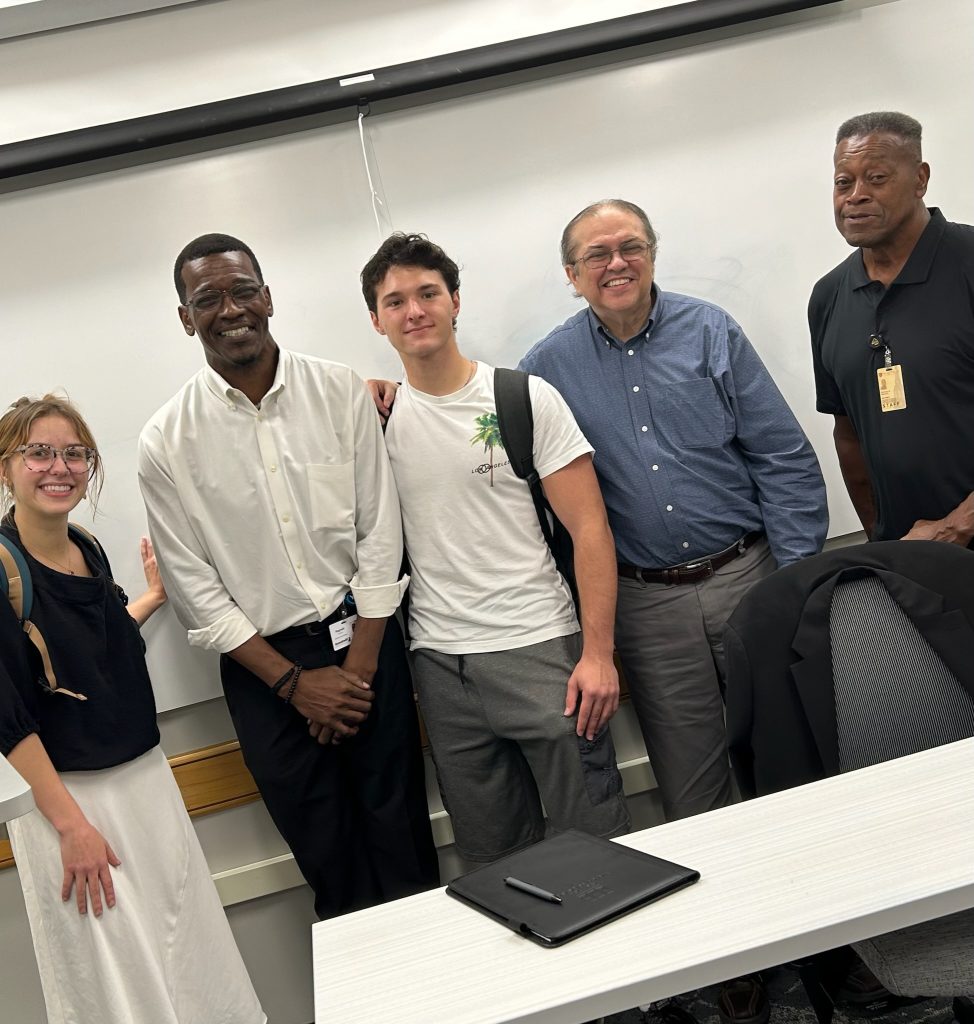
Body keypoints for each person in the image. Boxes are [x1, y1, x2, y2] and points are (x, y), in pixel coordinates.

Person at [138, 233, 438, 920]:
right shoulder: (167, 440)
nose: (230, 309)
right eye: (207, 298)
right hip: (265, 675)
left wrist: (357, 672)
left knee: (405, 849)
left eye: (243, 289)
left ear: (267, 296)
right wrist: (298, 687)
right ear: (186, 318)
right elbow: (195, 590)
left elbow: (380, 532)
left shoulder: (337, 390)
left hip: (366, 645)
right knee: (329, 864)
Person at [360, 232, 630, 864]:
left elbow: (591, 528)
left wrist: (598, 654)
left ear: (455, 301)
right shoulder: (371, 418)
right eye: (395, 302)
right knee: (497, 865)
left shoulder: (523, 399)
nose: (415, 311)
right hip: (442, 665)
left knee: (599, 849)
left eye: (428, 293)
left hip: (542, 651)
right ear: (376, 319)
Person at [0, 394, 264, 1024]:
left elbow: (92, 647)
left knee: (186, 953)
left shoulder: (85, 547)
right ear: (5, 467)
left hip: (144, 779)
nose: (58, 467)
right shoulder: (3, 568)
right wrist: (72, 828)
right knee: (117, 977)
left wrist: (146, 600)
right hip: (71, 801)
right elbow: (9, 719)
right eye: (38, 453)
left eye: (74, 453)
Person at [809, 110, 974, 547]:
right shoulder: (828, 297)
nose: (855, 196)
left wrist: (956, 527)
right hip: (911, 558)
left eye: (876, 178)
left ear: (920, 179)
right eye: (844, 182)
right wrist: (884, 547)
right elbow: (848, 436)